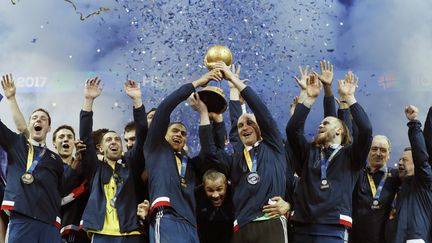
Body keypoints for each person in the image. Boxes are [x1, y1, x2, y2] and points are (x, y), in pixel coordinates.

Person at [198, 62, 289, 243]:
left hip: (270, 222)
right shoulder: (236, 158)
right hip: (241, 228)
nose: (245, 127)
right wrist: (203, 113)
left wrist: (233, 80)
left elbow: (261, 111)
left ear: (262, 128)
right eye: (241, 126)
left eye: (250, 123)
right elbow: (210, 150)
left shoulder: (274, 147)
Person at [286, 71, 372, 242]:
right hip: (302, 226)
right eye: (320, 123)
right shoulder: (309, 152)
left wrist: (350, 97)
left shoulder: (351, 156)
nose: (320, 124)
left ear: (339, 130)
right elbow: (292, 129)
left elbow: (366, 131)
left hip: (332, 227)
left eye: (326, 123)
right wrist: (309, 99)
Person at [144, 69, 222, 243]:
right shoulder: (156, 147)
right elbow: (164, 108)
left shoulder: (191, 164)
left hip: (190, 223)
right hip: (166, 216)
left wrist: (205, 115)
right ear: (163, 133)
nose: (179, 134)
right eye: (175, 131)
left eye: (183, 133)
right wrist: (197, 83)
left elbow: (211, 152)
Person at [0, 73, 75, 242]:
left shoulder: (55, 159)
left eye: (43, 119)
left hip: (50, 222)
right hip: (22, 217)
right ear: (29, 124)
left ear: (48, 128)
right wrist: (10, 97)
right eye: (34, 117)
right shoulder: (16, 143)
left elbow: (62, 190)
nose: (38, 120)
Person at [79, 78, 148, 242]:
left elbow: (143, 133)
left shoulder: (130, 167)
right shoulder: (96, 168)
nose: (114, 142)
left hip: (130, 233)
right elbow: (85, 137)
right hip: (102, 233)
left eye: (117, 140)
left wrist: (137, 100)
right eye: (108, 140)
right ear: (100, 148)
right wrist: (88, 100)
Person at [384, 105, 432, 243]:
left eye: (405, 160)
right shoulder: (398, 188)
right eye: (399, 159)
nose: (399, 163)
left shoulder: (424, 182)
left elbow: (421, 157)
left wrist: (413, 124)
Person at [350, 135, 400, 243]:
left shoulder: (396, 176)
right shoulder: (356, 173)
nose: (378, 153)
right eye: (374, 149)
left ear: (389, 155)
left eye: (383, 150)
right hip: (353, 238)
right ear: (367, 151)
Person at [195, 169, 234, 243]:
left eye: (219, 189)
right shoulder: (195, 195)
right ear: (203, 188)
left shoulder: (236, 193)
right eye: (210, 190)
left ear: (226, 185)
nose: (215, 195)